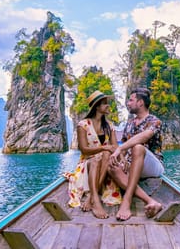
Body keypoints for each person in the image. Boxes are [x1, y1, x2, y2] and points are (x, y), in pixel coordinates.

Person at [109, 87, 164, 221]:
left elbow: (143, 137)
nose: (128, 103)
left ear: (140, 103)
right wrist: (122, 160)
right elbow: (123, 144)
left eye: (131, 100)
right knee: (111, 167)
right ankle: (150, 201)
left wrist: (120, 150)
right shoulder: (129, 124)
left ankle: (126, 202)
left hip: (152, 165)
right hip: (132, 164)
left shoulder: (155, 121)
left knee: (138, 148)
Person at [65, 90, 122, 219]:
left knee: (106, 154)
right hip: (88, 163)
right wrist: (103, 148)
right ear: (97, 107)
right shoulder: (83, 125)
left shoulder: (109, 126)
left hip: (105, 162)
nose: (108, 106)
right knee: (99, 158)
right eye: (104, 104)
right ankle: (96, 200)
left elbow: (115, 147)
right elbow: (84, 150)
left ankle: (91, 196)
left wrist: (118, 156)